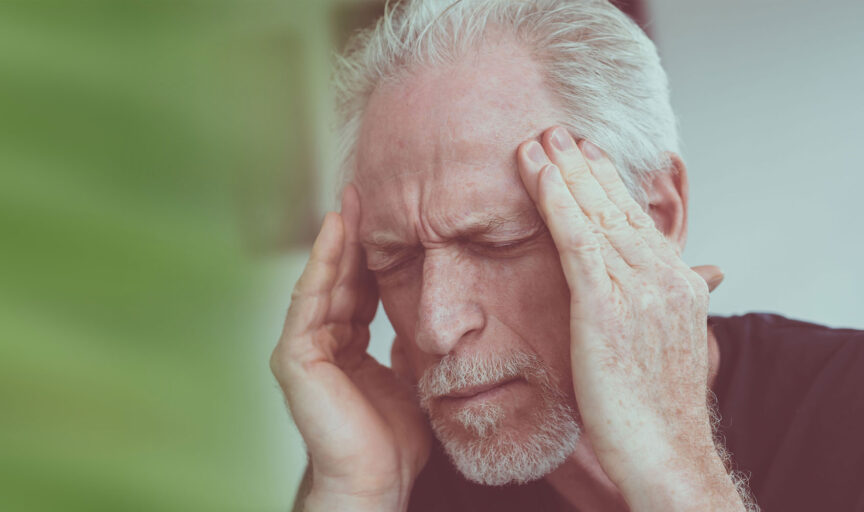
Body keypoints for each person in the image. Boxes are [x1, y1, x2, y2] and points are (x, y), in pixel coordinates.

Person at [269, 0, 864, 510]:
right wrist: (360, 493)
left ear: (656, 216)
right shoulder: (385, 463)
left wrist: (675, 476)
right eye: (394, 261)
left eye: (498, 241)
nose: (436, 326)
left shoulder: (848, 405)